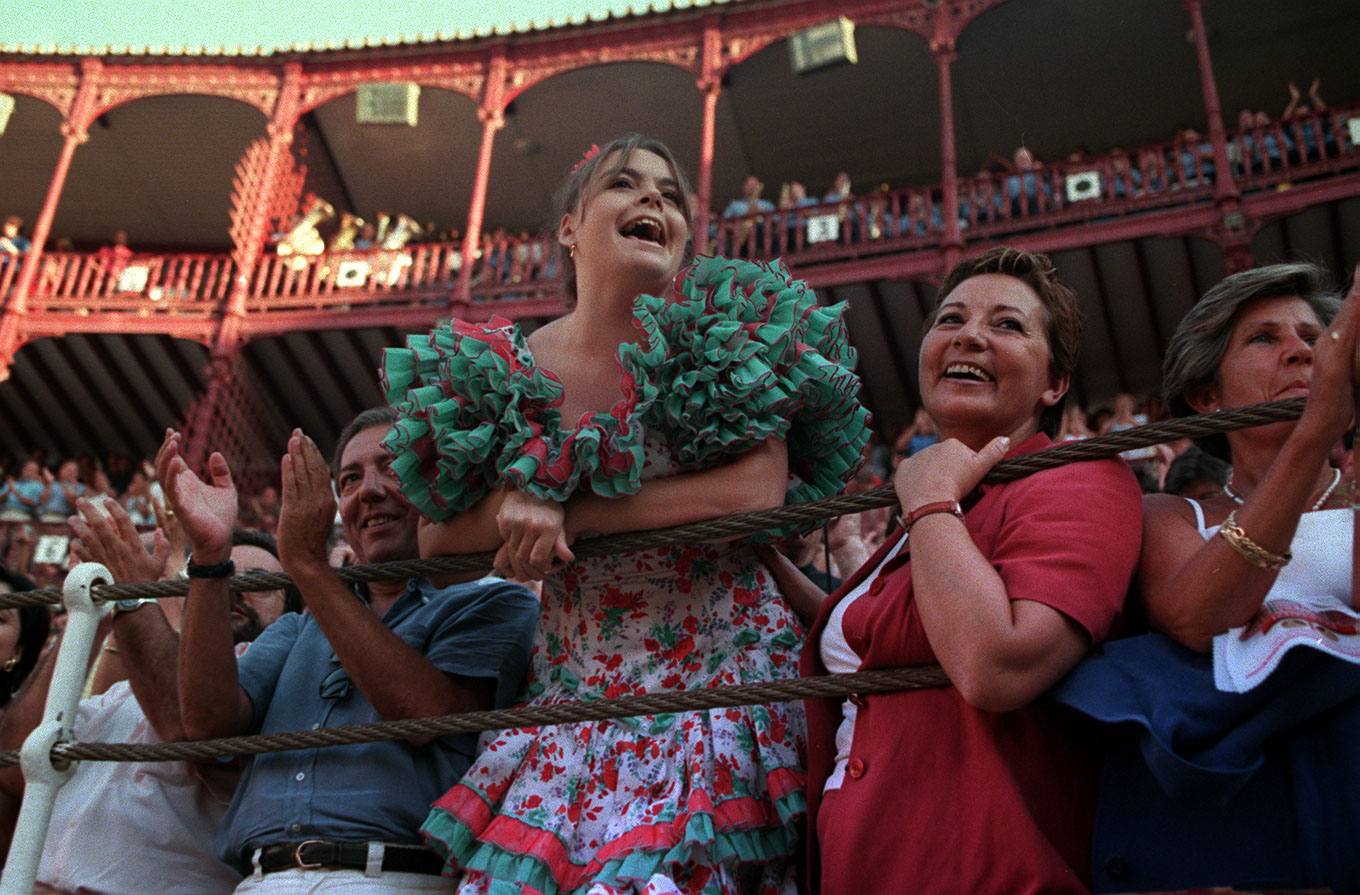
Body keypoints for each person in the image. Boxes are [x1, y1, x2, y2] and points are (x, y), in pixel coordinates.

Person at [382, 134, 870, 893]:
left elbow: (752, 492)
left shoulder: (723, 332)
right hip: (572, 710)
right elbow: (438, 539)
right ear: (570, 228)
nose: (654, 200)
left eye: (670, 195)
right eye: (625, 184)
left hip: (723, 693)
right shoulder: (507, 367)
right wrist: (513, 502)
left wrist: (567, 511)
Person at [765, 246, 1142, 893]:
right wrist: (755, 556)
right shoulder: (927, 496)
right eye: (950, 319)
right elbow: (869, 631)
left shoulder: (1079, 478)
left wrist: (932, 501)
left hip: (986, 870)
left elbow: (998, 663)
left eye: (1008, 324)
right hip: (860, 861)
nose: (969, 334)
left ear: (1054, 384)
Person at [1052, 262, 1359, 892]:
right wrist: (1314, 433)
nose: (1301, 351)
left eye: (1312, 336)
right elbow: (1198, 616)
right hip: (1239, 821)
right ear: (1206, 397)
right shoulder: (1172, 513)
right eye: (1264, 339)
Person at [168, 409, 540, 892]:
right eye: (349, 478)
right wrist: (210, 557)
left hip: (395, 876)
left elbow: (421, 714)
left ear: (442, 486)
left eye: (393, 467)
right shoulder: (299, 627)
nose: (369, 489)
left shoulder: (494, 599)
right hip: (261, 878)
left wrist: (306, 564)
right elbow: (206, 723)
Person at [0, 497, 298, 894]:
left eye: (258, 581)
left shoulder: (279, 689)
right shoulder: (125, 691)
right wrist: (92, 612)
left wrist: (129, 594)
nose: (231, 591)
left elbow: (185, 722)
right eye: (216, 578)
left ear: (291, 614)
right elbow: (16, 764)